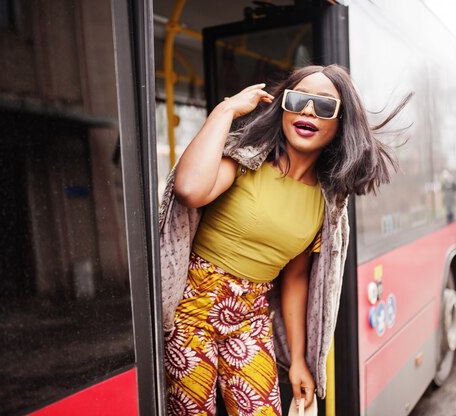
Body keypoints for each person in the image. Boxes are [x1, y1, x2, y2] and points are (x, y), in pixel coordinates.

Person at [159, 64, 410, 416]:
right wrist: (226, 109)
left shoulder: (327, 202)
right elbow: (189, 190)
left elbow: (294, 277)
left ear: (340, 124)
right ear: (283, 108)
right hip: (190, 313)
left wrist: (298, 361)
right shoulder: (245, 162)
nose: (308, 110)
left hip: (250, 318)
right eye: (298, 100)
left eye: (324, 106)